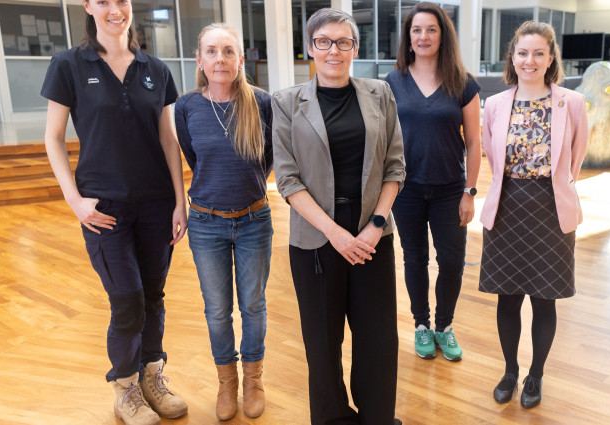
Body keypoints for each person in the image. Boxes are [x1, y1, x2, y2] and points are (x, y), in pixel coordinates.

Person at [41, 0, 187, 424]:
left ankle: (151, 378)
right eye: (102, 1)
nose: (113, 9)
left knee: (154, 298)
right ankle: (125, 388)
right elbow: (53, 138)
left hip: (157, 205)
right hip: (104, 208)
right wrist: (74, 199)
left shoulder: (155, 69)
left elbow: (168, 140)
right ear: (88, 6)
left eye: (120, 0)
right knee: (127, 300)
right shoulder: (69, 64)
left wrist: (180, 200)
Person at [271, 8, 405, 425]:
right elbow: (288, 180)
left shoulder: (380, 93)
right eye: (324, 42)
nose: (334, 50)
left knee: (378, 339)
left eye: (343, 42)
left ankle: (376, 417)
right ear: (310, 48)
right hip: (316, 241)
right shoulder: (287, 102)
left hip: (372, 237)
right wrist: (336, 234)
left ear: (355, 48)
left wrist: (375, 225)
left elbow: (395, 166)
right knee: (322, 343)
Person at [478, 21, 588, 409]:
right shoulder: (493, 105)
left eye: (539, 53)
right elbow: (492, 158)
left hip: (551, 209)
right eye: (523, 53)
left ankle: (535, 374)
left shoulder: (571, 103)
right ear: (513, 56)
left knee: (545, 300)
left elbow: (575, 158)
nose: (530, 60)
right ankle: (509, 370)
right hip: (507, 208)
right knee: (507, 299)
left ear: (551, 58)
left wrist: (555, 186)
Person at [174, 23, 273, 421]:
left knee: (253, 305)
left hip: (253, 220)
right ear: (199, 60)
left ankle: (253, 379)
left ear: (241, 59)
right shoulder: (186, 107)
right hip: (206, 224)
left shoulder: (262, 103)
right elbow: (194, 160)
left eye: (228, 51)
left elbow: (266, 162)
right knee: (217, 310)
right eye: (212, 52)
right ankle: (226, 383)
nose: (220, 59)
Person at [384, 1, 480, 362]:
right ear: (408, 38)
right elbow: (384, 140)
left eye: (431, 30)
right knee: (414, 259)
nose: (423, 36)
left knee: (452, 261)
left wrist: (470, 192)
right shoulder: (393, 82)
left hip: (450, 190)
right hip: (406, 190)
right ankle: (421, 325)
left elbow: (474, 143)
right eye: (416, 30)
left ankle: (444, 325)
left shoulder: (462, 82)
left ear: (443, 36)